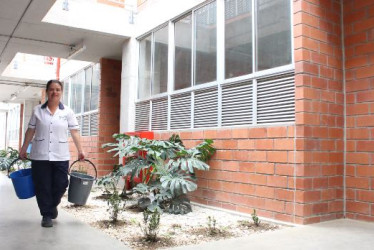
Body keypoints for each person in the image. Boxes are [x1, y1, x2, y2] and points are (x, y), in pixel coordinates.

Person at [19, 79, 85, 228]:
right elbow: (31, 130)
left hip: (60, 155)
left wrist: (81, 150)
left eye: (58, 89)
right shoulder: (37, 110)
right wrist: (23, 148)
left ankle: (52, 205)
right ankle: (46, 215)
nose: (55, 92)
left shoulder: (67, 111)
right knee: (42, 186)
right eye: (52, 89)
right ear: (47, 91)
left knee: (62, 184)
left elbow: (74, 131)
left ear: (61, 92)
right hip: (40, 155)